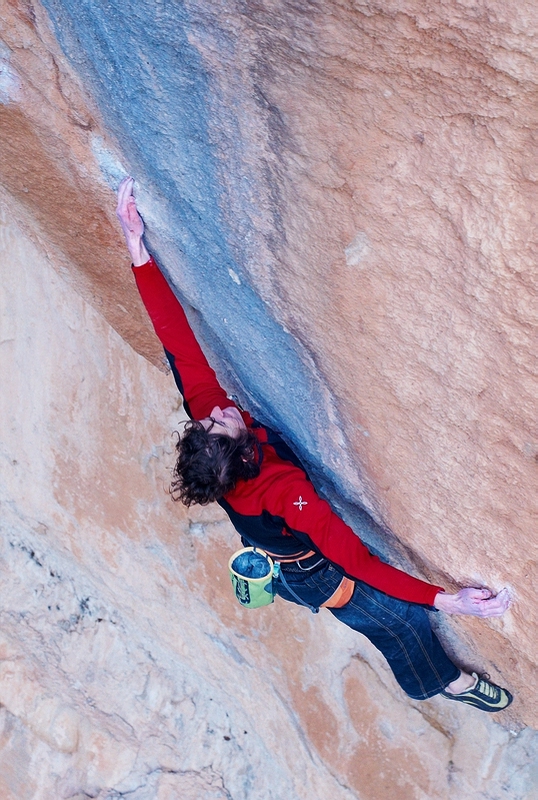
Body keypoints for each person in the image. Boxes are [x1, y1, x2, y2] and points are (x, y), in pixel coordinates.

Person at [116, 177, 513, 712]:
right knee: (403, 622)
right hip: (317, 571)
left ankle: (274, 583)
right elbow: (358, 562)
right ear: (241, 455)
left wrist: (136, 249)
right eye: (220, 423)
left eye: (206, 419)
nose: (216, 409)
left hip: (277, 550)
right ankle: (445, 685)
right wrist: (453, 600)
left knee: (336, 586)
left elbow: (178, 345)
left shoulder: (218, 439)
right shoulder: (284, 493)